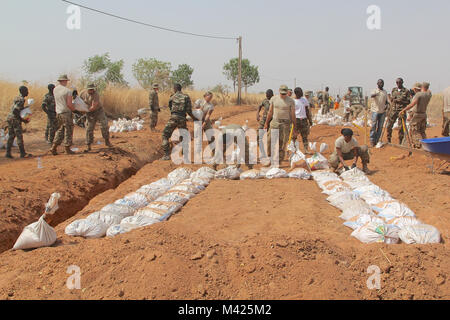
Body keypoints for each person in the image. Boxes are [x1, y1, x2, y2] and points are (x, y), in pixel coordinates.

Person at [161, 83, 198, 160]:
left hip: (173, 117)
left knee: (165, 135)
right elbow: (189, 110)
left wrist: (174, 115)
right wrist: (194, 118)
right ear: (180, 89)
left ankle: (167, 155)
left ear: (174, 89)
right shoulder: (186, 97)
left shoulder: (172, 97)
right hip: (182, 118)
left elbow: (170, 108)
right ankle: (185, 156)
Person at [264, 85, 295, 164]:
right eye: (282, 93)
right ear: (279, 91)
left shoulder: (291, 101)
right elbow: (270, 112)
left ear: (287, 92)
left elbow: (292, 114)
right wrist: (266, 123)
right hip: (275, 122)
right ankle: (270, 158)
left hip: (285, 124)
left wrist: (295, 125)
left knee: (282, 143)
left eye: (285, 94)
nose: (283, 95)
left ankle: (278, 161)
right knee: (269, 141)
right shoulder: (274, 99)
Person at [80, 84, 112, 152]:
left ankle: (107, 141)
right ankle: (88, 145)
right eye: (90, 89)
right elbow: (79, 102)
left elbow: (94, 106)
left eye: (92, 89)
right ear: (87, 89)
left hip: (98, 111)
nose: (91, 91)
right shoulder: (82, 93)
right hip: (89, 112)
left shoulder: (96, 94)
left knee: (104, 125)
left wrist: (85, 111)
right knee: (89, 128)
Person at [400, 82, 432, 148]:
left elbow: (412, 105)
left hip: (417, 115)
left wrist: (403, 110)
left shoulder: (418, 95)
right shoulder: (428, 94)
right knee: (422, 131)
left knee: (415, 131)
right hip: (423, 114)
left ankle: (420, 146)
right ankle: (426, 146)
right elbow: (428, 91)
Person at [50, 74, 76, 155]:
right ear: (65, 81)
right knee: (68, 130)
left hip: (58, 112)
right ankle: (67, 148)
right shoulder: (68, 91)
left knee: (60, 130)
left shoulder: (55, 89)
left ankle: (53, 147)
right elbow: (69, 104)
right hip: (66, 113)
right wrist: (75, 110)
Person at [5, 86, 32, 158]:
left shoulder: (17, 97)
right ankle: (22, 153)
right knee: (19, 136)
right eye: (26, 91)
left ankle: (8, 153)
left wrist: (24, 108)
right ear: (23, 91)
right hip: (15, 119)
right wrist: (23, 119)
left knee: (11, 136)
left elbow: (16, 108)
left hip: (10, 118)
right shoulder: (21, 99)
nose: (27, 92)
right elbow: (15, 110)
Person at [385, 78, 411, 144]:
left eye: (399, 82)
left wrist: (400, 101)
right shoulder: (394, 90)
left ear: (402, 82)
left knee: (401, 127)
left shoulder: (406, 91)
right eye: (397, 82)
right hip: (393, 110)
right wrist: (390, 99)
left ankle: (400, 141)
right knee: (389, 125)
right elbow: (392, 100)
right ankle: (389, 139)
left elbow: (408, 102)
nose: (398, 84)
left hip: (401, 110)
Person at [292, 87, 313, 153]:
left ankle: (306, 150)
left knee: (305, 136)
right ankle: (294, 149)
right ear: (296, 93)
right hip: (296, 120)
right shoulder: (293, 101)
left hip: (304, 120)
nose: (301, 94)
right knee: (294, 136)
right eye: (300, 93)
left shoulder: (304, 100)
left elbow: (307, 111)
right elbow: (291, 112)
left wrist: (310, 120)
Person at [369, 79, 388, 147]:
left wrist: (387, 106)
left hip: (382, 111)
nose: (381, 84)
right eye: (379, 83)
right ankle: (372, 140)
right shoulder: (375, 90)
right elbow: (371, 95)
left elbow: (386, 101)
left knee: (380, 127)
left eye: (382, 83)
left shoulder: (385, 92)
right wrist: (376, 94)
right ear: (377, 84)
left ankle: (377, 140)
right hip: (375, 111)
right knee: (373, 126)